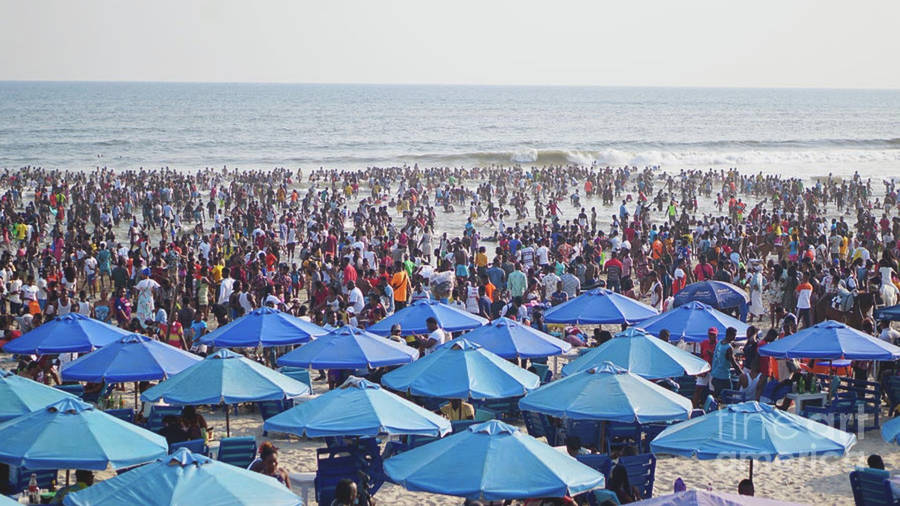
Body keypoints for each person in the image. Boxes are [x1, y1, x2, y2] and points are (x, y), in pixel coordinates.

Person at [710, 327, 743, 397]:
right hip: (723, 377)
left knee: (716, 397)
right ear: (730, 335)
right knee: (728, 397)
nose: (735, 337)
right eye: (734, 335)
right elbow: (733, 362)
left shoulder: (719, 343)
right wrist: (742, 374)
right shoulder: (728, 348)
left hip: (715, 375)